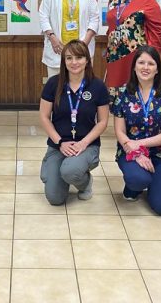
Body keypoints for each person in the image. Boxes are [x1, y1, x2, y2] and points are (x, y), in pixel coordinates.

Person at [111, 45, 161, 215]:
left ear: (157, 69)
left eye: (151, 63)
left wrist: (139, 144)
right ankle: (136, 185)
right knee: (138, 179)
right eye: (141, 62)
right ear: (134, 67)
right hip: (130, 151)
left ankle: (154, 183)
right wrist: (135, 151)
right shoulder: (122, 93)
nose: (145, 67)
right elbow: (120, 131)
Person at [39, 40, 109, 205]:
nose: (74, 62)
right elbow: (43, 117)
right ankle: (53, 168)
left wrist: (83, 143)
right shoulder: (53, 84)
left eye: (79, 57)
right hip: (59, 145)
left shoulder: (97, 86)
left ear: (87, 60)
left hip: (86, 145)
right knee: (55, 199)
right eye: (69, 58)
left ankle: (84, 182)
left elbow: (103, 121)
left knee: (70, 171)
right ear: (63, 61)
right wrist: (60, 142)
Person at [38, 0, 100, 78]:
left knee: (82, 88)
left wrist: (84, 44)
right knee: (57, 88)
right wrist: (52, 38)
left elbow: (95, 18)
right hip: (58, 48)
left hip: (82, 47)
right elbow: (43, 15)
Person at [104, 0, 161, 93]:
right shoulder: (113, 0)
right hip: (114, 55)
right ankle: (117, 113)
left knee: (135, 89)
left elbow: (157, 30)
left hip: (137, 54)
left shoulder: (148, 0)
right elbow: (112, 25)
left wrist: (153, 54)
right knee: (115, 91)